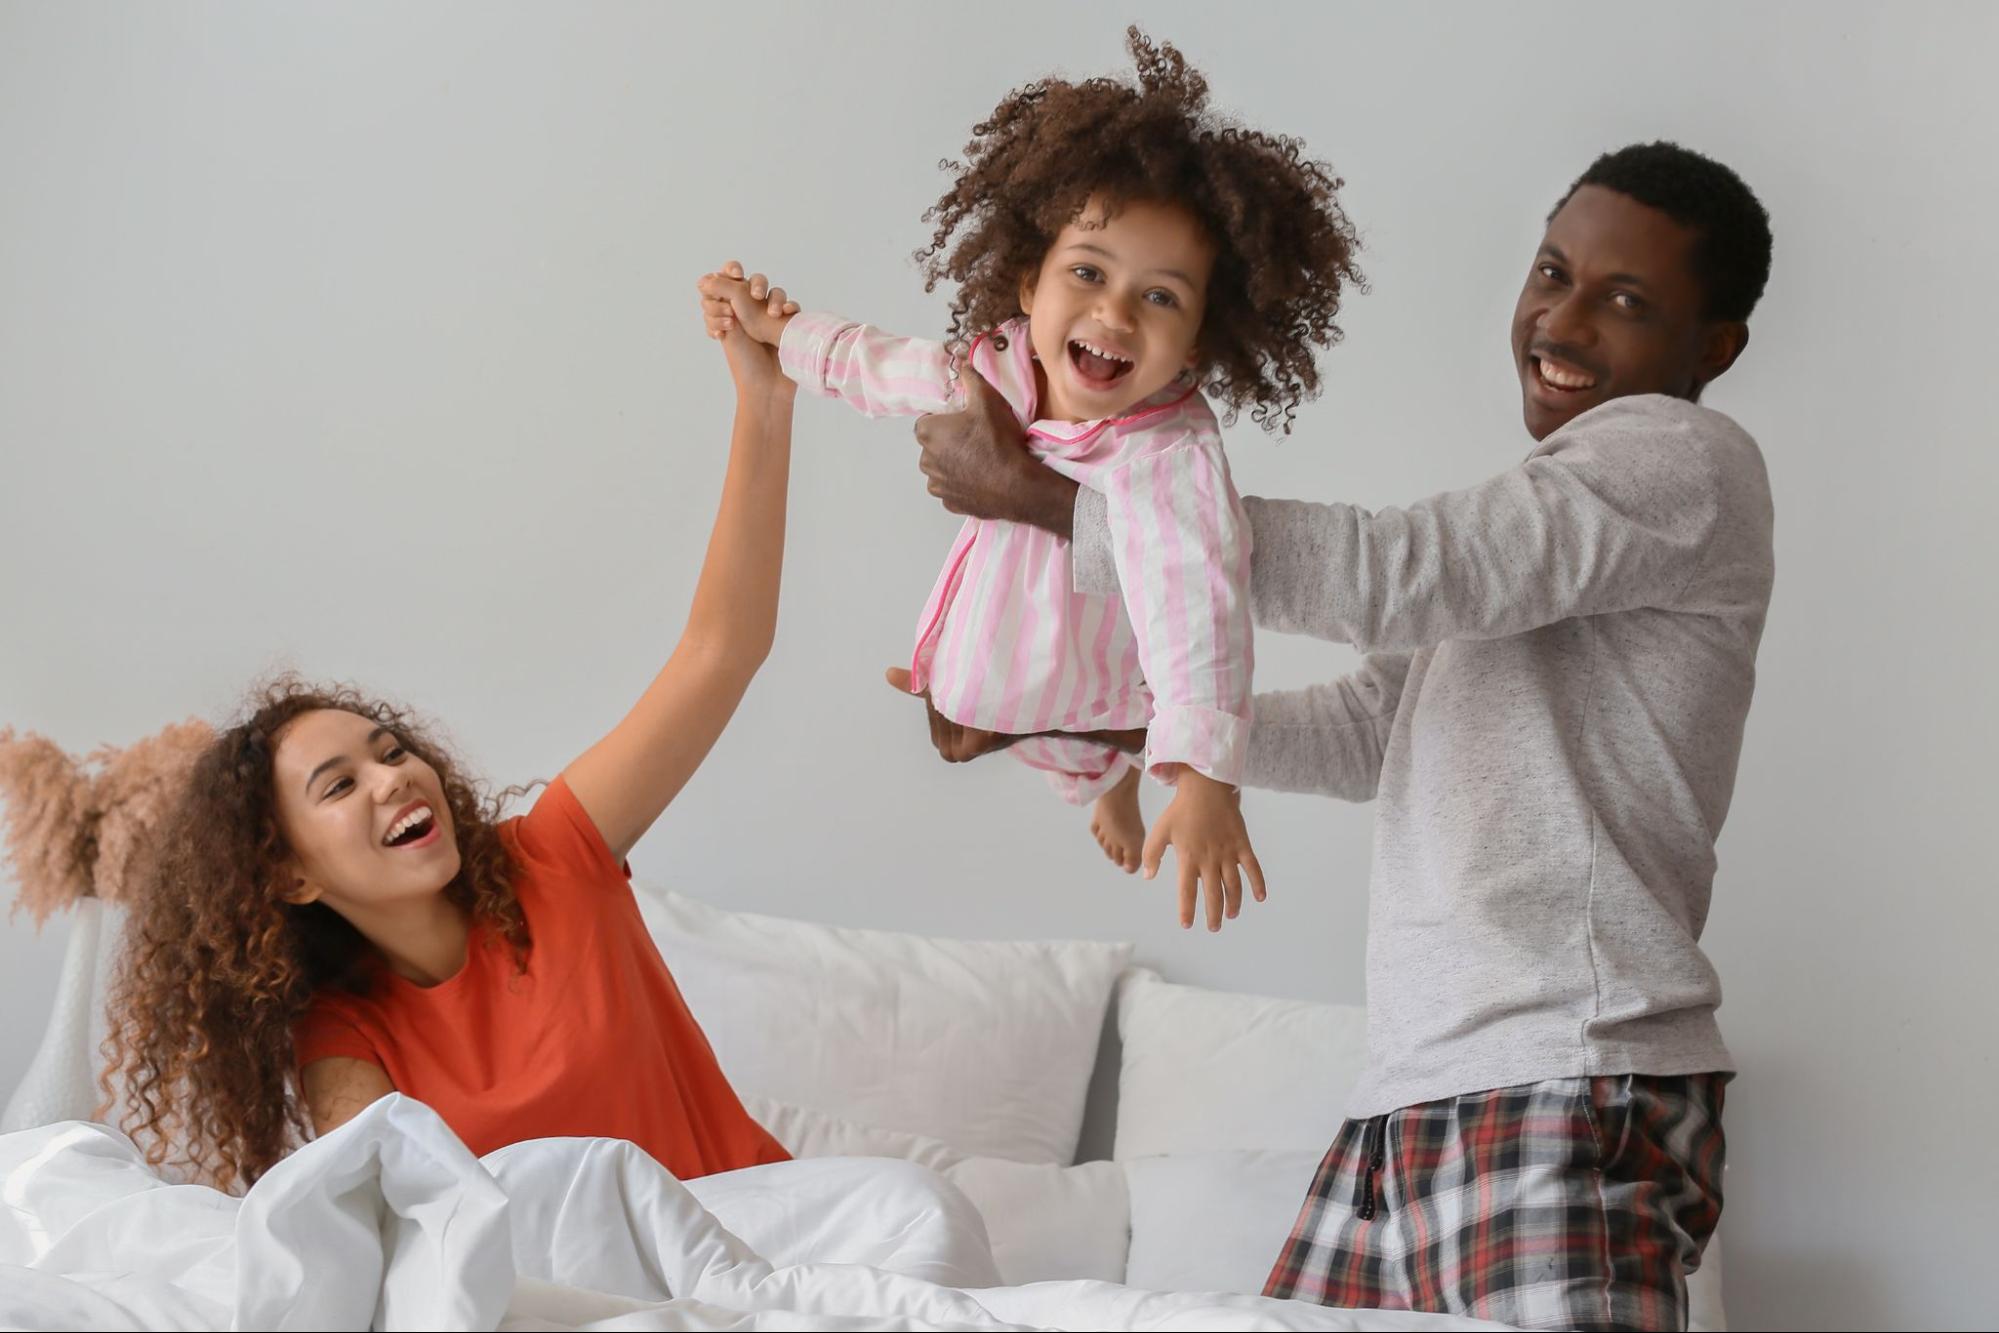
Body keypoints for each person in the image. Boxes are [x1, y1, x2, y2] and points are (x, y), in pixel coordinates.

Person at [893, 141, 1775, 1332]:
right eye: (1551, 272)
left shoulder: (1679, 462)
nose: (1559, 321)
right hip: (1421, 1084)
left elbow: (1396, 571)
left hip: (1565, 1067)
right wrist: (1093, 721)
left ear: (1712, 345)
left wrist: (1055, 501)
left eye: (1623, 300)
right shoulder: (1545, 522)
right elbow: (1374, 728)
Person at [102, 264, 805, 1192]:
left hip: (760, 1236)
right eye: (340, 784)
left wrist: (763, 403)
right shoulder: (345, 1032)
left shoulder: (556, 855)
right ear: (288, 871)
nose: (393, 777)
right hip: (581, 1298)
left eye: (391, 751)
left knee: (915, 1209)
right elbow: (380, 1207)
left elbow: (722, 649)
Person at [703, 28, 1363, 929]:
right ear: (1027, 282)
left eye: (1160, 296)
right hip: (988, 658)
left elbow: (1197, 611)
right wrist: (782, 333)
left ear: (1200, 341)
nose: (1113, 313)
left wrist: (1207, 779)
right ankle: (1087, 779)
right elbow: (878, 365)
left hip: (1094, 683)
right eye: (1087, 273)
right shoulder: (993, 374)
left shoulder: (1171, 456)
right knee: (1024, 732)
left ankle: (1113, 782)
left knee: (1077, 744)